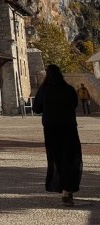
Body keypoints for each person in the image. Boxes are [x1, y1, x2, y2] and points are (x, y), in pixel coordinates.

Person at [32, 64, 82, 206]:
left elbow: (36, 108)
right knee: (71, 157)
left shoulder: (44, 90)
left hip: (52, 129)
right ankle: (68, 189)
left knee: (57, 157)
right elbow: (74, 104)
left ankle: (63, 187)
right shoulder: (68, 89)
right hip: (69, 127)